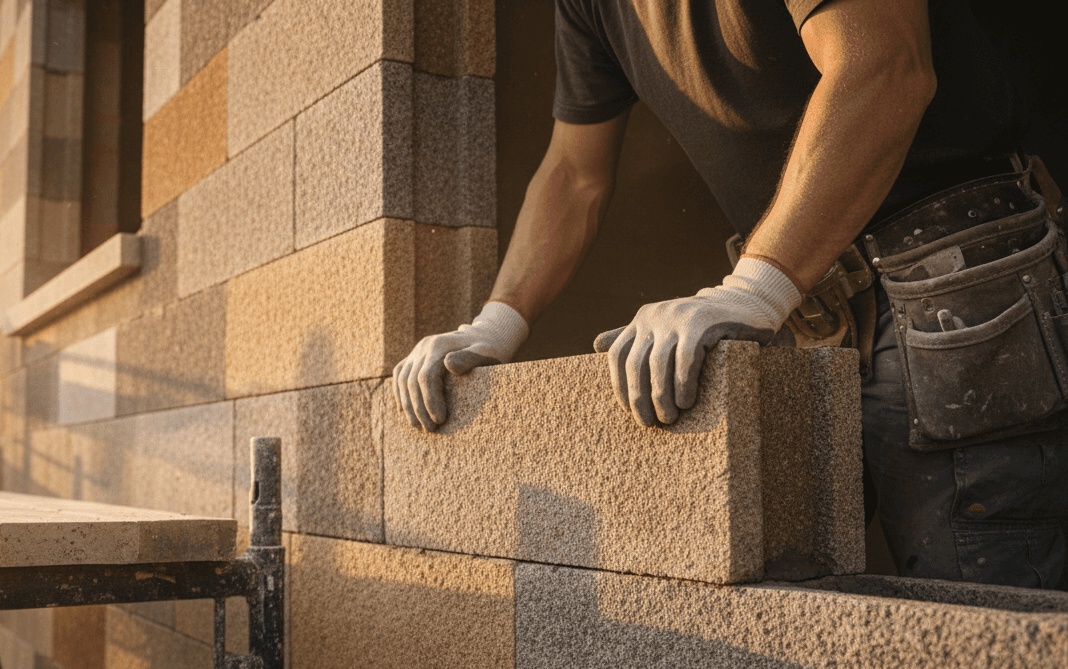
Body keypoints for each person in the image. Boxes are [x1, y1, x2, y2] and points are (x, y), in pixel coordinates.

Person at [391, 0, 1068, 589]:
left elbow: (885, 67)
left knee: (979, 623)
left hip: (953, 277)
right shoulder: (588, 5)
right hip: (809, 304)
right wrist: (496, 323)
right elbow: (574, 172)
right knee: (799, 623)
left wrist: (752, 286)